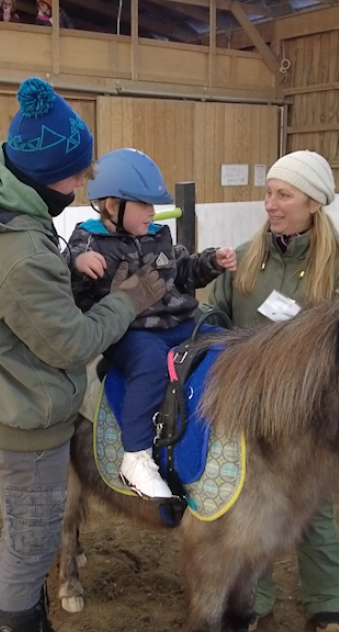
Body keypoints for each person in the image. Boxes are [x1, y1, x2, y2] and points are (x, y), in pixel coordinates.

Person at [0, 77, 167, 632]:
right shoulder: (16, 252)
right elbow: (71, 343)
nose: (80, 186)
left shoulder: (2, 211)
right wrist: (128, 299)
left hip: (9, 398)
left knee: (26, 533)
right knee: (30, 541)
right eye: (74, 176)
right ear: (45, 174)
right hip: (28, 417)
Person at [204, 150, 339, 632]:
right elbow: (213, 313)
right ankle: (253, 596)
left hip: (309, 419)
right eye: (268, 193)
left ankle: (327, 599)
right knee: (250, 508)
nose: (271, 205)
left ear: (314, 203)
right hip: (247, 412)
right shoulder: (245, 257)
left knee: (312, 509)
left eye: (283, 195)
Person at [66, 148, 237, 499]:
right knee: (149, 365)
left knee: (224, 343)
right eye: (144, 204)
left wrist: (212, 262)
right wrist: (78, 263)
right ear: (113, 206)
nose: (152, 212)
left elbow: (183, 272)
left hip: (179, 322)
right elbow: (64, 272)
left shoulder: (159, 234)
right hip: (131, 332)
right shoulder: (88, 237)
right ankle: (136, 456)